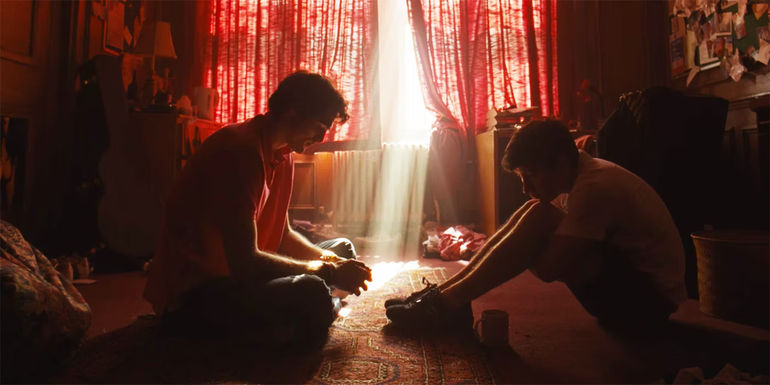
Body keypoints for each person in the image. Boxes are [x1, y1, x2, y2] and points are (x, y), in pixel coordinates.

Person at [386, 119, 686, 332]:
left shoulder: (595, 188)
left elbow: (548, 269)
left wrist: (525, 245)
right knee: (535, 210)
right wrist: (526, 239)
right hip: (630, 292)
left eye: (530, 175)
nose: (525, 187)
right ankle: (447, 296)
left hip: (646, 307)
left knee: (540, 215)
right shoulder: (581, 174)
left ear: (560, 163)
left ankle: (447, 303)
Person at [144, 71, 372, 348]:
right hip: (199, 292)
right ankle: (315, 309)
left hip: (244, 275)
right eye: (320, 125)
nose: (322, 136)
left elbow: (284, 234)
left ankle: (313, 310)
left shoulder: (283, 153)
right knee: (311, 291)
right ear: (293, 112)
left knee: (343, 250)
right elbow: (246, 263)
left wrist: (332, 263)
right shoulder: (238, 152)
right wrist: (328, 273)